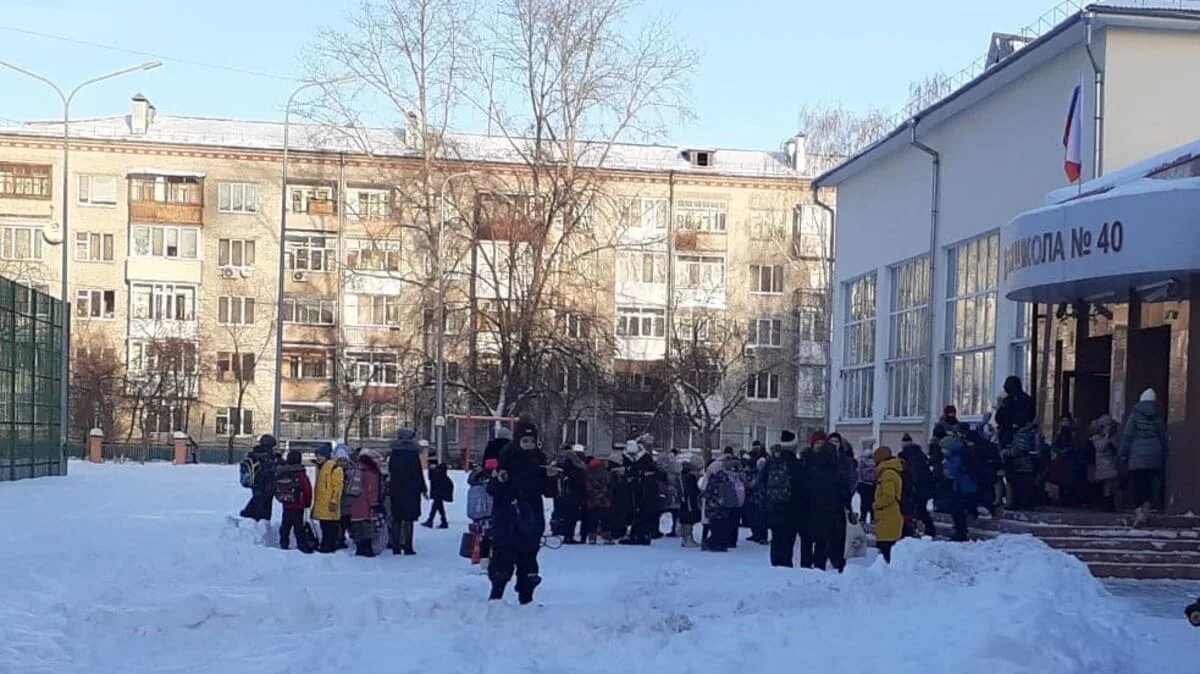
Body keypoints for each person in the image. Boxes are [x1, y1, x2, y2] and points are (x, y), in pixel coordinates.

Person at [487, 420, 558, 605]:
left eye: (531, 441)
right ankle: (496, 595)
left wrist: (551, 478)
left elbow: (549, 492)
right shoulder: (507, 457)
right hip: (506, 517)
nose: (528, 445)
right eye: (525, 441)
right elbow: (493, 490)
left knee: (528, 558)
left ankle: (526, 596)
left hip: (531, 518)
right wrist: (500, 480)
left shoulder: (539, 460)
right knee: (503, 557)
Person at [1121, 388, 1170, 527]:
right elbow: (1163, 436)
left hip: (1137, 455)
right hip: (1155, 454)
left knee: (1138, 483)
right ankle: (1146, 509)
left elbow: (1128, 436)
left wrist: (1123, 454)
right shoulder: (1158, 416)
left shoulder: (1134, 415)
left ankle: (1139, 512)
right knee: (1150, 483)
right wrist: (1165, 453)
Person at [806, 437, 850, 572]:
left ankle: (819, 568)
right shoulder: (837, 474)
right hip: (835, 516)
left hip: (816, 514)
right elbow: (845, 495)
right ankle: (839, 568)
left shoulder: (812, 472)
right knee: (836, 544)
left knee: (820, 544)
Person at [765, 432, 806, 567]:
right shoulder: (797, 464)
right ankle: (785, 566)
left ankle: (775, 564)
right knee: (787, 541)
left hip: (774, 508)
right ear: (794, 446)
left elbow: (761, 483)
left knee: (776, 539)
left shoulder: (771, 462)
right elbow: (801, 489)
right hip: (792, 510)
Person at [996, 375, 1037, 510]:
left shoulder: (1007, 402)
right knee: (1025, 474)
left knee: (1012, 474)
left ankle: (1013, 500)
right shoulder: (1027, 400)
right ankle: (1026, 501)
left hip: (1009, 438)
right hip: (1024, 436)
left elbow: (999, 418)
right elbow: (1032, 415)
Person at [389, 428, 428, 555]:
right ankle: (408, 546)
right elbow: (418, 473)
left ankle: (395, 546)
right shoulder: (413, 454)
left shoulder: (394, 453)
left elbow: (391, 471)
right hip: (412, 490)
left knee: (396, 519)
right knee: (409, 520)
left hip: (396, 489)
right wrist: (423, 489)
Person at [898, 433, 936, 539]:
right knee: (920, 509)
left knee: (913, 510)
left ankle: (912, 531)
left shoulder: (906, 457)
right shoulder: (920, 455)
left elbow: (912, 474)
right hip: (923, 487)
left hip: (913, 488)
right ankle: (928, 529)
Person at [274, 449, 313, 552]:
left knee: (285, 525)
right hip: (298, 505)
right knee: (298, 526)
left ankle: (284, 544)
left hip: (286, 503)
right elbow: (307, 488)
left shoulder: (283, 471)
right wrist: (307, 502)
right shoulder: (300, 472)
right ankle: (302, 546)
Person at [350, 449, 385, 557]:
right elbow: (372, 490)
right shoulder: (370, 473)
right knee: (367, 527)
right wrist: (374, 504)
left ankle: (359, 548)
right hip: (366, 505)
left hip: (355, 503)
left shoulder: (356, 470)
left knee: (358, 527)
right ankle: (367, 549)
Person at [872, 446, 904, 563]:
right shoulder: (891, 471)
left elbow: (888, 496)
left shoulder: (887, 474)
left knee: (886, 549)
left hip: (888, 516)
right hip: (888, 516)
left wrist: (876, 505)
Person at [552, 445, 588, 543]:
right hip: (576, 490)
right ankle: (579, 536)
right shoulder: (578, 462)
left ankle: (566, 534)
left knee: (568, 514)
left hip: (568, 490)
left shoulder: (562, 460)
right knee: (579, 514)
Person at [312, 445, 345, 553]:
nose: (318, 458)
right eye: (317, 456)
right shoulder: (320, 468)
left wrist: (334, 501)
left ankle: (328, 546)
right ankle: (326, 545)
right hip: (321, 503)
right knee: (324, 526)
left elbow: (338, 487)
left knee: (329, 527)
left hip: (329, 503)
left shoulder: (335, 469)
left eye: (320, 456)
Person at [239, 434, 278, 521]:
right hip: (266, 485)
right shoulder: (267, 456)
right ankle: (253, 521)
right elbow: (270, 470)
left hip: (257, 484)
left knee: (257, 501)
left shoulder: (255, 453)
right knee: (263, 507)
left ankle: (250, 518)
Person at [1088, 414, 1121, 512]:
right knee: (1106, 484)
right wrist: (1106, 437)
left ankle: (1111, 502)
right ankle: (1106, 502)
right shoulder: (1096, 437)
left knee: (1112, 484)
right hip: (1103, 463)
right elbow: (1100, 447)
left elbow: (1117, 447)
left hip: (1112, 462)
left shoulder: (1114, 436)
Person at [583, 456, 613, 544]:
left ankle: (592, 538)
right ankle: (607, 537)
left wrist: (594, 496)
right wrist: (602, 495)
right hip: (605, 501)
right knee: (606, 520)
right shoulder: (606, 473)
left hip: (592, 501)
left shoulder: (588, 474)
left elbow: (587, 488)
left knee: (592, 520)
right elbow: (607, 487)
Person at [423, 458, 454, 529]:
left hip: (441, 490)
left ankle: (431, 521)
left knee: (436, 505)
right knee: (439, 506)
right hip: (439, 490)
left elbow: (435, 478)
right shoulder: (434, 471)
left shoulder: (438, 470)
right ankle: (442, 521)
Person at [677, 458, 702, 548]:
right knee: (689, 520)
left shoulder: (681, 477)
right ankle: (688, 538)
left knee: (686, 519)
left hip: (684, 501)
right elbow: (693, 490)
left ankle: (686, 538)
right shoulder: (690, 478)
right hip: (690, 501)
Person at [855, 443, 877, 524]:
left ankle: (863, 521)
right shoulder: (875, 460)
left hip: (864, 485)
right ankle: (871, 522)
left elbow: (859, 473)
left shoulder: (861, 460)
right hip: (872, 486)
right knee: (871, 507)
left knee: (864, 506)